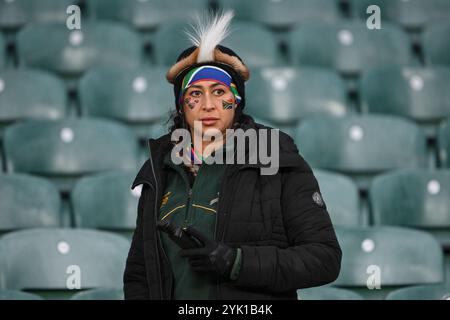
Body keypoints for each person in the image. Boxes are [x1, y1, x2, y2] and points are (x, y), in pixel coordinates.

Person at [124, 11, 341, 300]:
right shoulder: (158, 169)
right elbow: (140, 274)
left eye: (219, 92)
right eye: (195, 94)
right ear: (182, 106)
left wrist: (237, 262)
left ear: (236, 102)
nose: (208, 105)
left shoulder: (276, 157)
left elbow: (324, 259)